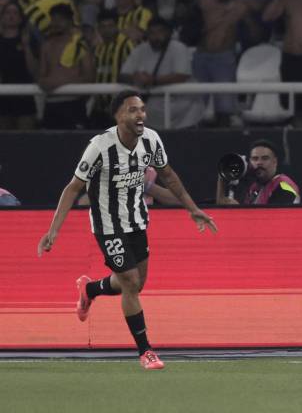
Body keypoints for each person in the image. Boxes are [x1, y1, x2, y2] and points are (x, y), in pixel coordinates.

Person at [36, 90, 217, 370]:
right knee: (131, 283)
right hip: (108, 225)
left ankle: (90, 289)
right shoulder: (100, 146)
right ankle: (146, 351)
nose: (140, 115)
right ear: (119, 115)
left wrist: (192, 209)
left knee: (136, 283)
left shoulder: (152, 139)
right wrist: (53, 230)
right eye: (133, 110)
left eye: (142, 109)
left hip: (137, 220)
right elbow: (73, 187)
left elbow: (168, 175)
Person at [119, 17, 202, 129]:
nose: (156, 37)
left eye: (160, 32)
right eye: (152, 33)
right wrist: (136, 78)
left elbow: (181, 76)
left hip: (184, 113)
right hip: (153, 115)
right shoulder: (140, 50)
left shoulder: (178, 48)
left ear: (168, 33)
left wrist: (152, 80)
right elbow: (123, 75)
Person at [38, 4, 94, 129]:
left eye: (60, 19)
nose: (56, 23)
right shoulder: (46, 45)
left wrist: (59, 82)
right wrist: (47, 83)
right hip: (51, 104)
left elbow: (89, 77)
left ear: (69, 21)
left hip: (74, 103)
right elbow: (41, 77)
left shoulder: (81, 45)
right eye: (54, 19)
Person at [216, 139, 300, 206]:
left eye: (265, 158)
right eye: (255, 159)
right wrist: (223, 175)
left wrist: (241, 211)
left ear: (275, 161)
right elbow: (222, 202)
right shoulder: (254, 188)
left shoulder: (284, 186)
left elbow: (273, 219)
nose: (259, 162)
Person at [0, 0, 38, 130]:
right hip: (2, 97)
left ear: (21, 18)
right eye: (7, 12)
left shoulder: (30, 41)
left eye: (15, 13)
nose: (11, 16)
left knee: (25, 141)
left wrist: (26, 46)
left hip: (25, 97)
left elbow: (34, 71)